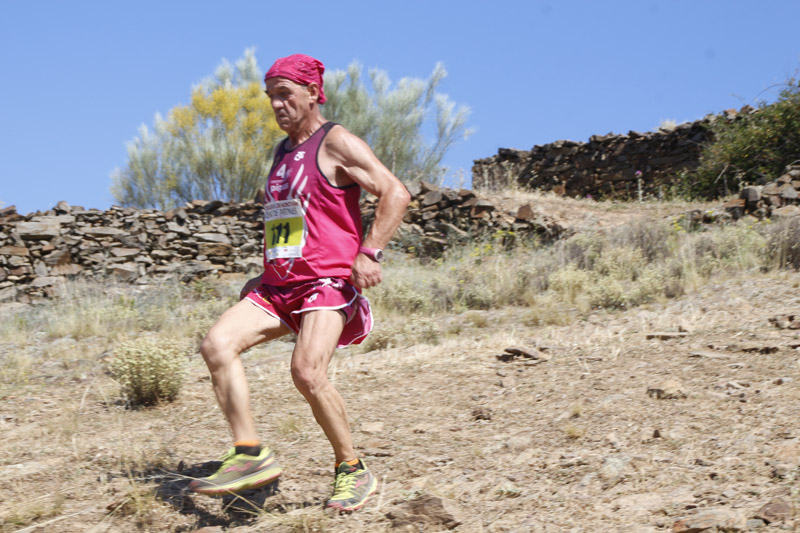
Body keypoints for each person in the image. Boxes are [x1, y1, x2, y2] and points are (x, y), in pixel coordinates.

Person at [188, 53, 411, 513]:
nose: (276, 104)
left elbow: (395, 192)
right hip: (279, 285)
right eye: (270, 96)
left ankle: (352, 469)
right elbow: (290, 220)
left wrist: (370, 250)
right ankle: (249, 454)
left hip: (326, 282)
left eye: (285, 94)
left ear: (313, 93)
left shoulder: (336, 142)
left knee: (307, 372)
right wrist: (268, 268)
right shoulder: (283, 152)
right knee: (216, 345)